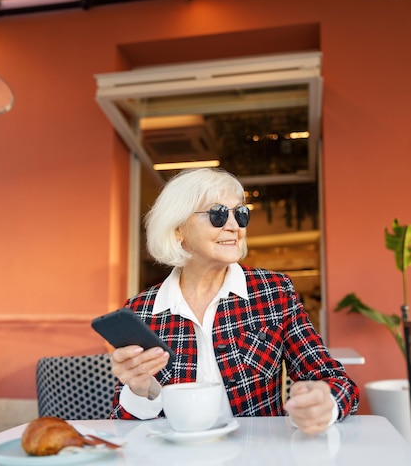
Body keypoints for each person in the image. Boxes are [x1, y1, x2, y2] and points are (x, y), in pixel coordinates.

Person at [110, 167, 359, 435]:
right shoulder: (140, 311)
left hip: (258, 462)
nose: (234, 226)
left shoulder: (273, 291)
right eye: (217, 214)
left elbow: (334, 380)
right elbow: (125, 429)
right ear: (179, 229)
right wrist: (140, 390)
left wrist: (324, 402)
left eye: (241, 214)